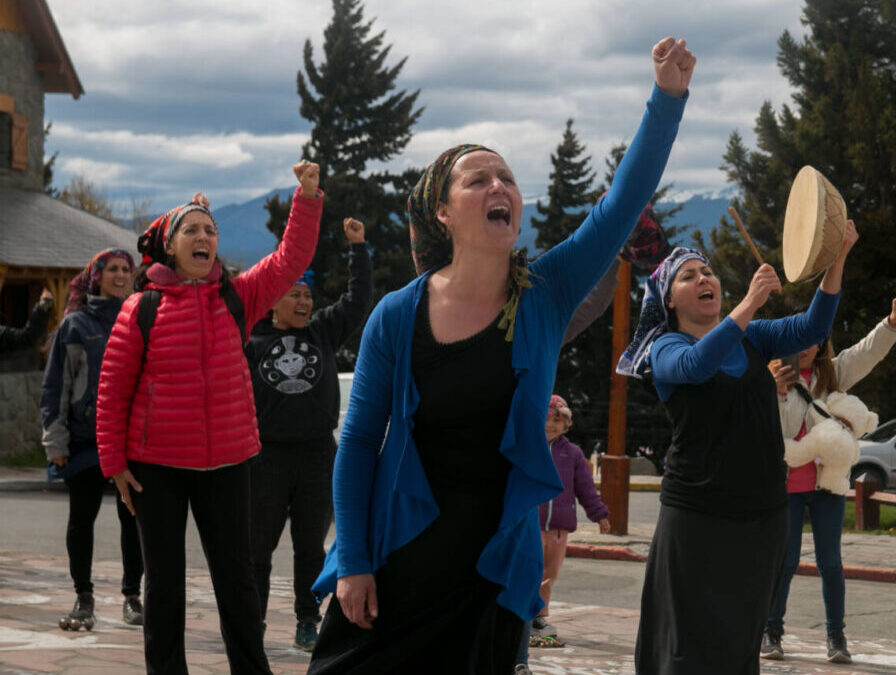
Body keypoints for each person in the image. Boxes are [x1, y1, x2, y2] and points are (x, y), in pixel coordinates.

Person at [307, 37, 695, 674]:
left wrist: (667, 98)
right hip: (397, 555)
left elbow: (622, 203)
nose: (500, 187)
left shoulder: (545, 293)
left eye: (508, 179)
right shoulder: (397, 315)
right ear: (443, 211)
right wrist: (352, 561)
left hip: (493, 567)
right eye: (478, 178)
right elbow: (357, 446)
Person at [95, 162, 323, 675]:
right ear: (170, 247)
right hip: (156, 467)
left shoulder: (237, 296)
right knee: (165, 583)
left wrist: (306, 199)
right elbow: (112, 389)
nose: (204, 237)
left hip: (228, 461)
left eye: (211, 231)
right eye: (192, 230)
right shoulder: (141, 308)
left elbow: (291, 260)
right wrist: (114, 462)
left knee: (237, 580)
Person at [618, 221, 857, 674]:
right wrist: (749, 303)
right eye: (689, 276)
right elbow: (697, 364)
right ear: (669, 299)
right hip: (697, 518)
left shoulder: (755, 336)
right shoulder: (665, 347)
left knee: (740, 643)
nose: (704, 278)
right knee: (688, 645)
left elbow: (814, 326)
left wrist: (838, 257)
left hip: (762, 516)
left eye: (707, 271)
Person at [761, 293, 896, 664]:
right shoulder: (772, 376)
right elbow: (774, 433)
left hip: (827, 484)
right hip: (788, 487)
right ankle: (772, 632)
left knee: (832, 563)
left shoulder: (833, 374)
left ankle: (836, 638)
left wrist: (891, 323)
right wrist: (778, 394)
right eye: (801, 339)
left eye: (814, 340)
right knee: (786, 560)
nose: (808, 347)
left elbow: (865, 353)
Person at [247, 216, 373, 651]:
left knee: (309, 548)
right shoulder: (251, 339)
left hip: (318, 454)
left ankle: (306, 620)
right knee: (256, 549)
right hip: (264, 457)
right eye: (293, 294)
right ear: (272, 301)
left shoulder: (321, 330)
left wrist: (357, 248)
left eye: (307, 295)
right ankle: (254, 621)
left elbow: (357, 302)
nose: (303, 302)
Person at [40, 249, 144, 631]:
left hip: (133, 443)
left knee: (133, 521)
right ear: (95, 277)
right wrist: (56, 444)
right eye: (112, 269)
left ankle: (132, 596)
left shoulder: (142, 317)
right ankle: (83, 596)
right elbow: (55, 388)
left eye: (126, 269)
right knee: (81, 521)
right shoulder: (75, 325)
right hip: (85, 444)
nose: (120, 275)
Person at [531, 394, 610, 640]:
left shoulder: (573, 454)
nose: (550, 424)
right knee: (528, 569)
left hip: (558, 530)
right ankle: (521, 615)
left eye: (557, 419)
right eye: (545, 418)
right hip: (528, 524)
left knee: (549, 574)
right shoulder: (528, 448)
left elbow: (586, 489)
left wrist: (599, 515)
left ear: (567, 424)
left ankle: (539, 618)